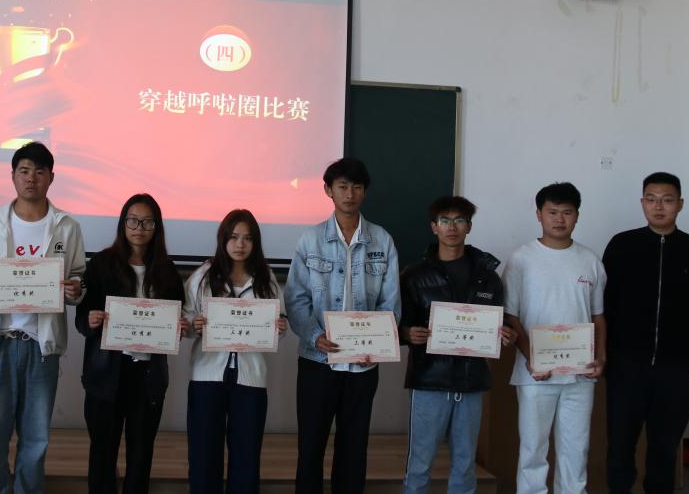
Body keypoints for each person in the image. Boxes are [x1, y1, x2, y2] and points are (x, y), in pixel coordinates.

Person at [0, 142, 86, 494]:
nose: (31, 178)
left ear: (51, 177)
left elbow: (79, 276)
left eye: (39, 171)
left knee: (36, 438)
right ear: (13, 176)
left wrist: (76, 289)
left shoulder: (67, 226)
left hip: (41, 345)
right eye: (24, 170)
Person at [284, 157, 400, 494]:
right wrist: (315, 335)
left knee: (353, 449)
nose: (350, 194)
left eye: (357, 187)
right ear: (328, 190)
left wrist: (377, 346)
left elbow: (391, 303)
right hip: (317, 362)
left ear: (365, 191)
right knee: (311, 446)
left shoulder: (382, 240)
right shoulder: (310, 240)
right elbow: (296, 299)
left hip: (363, 365)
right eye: (342, 186)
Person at [603, 172, 689, 494]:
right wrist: (603, 355)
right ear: (642, 203)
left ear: (680, 204)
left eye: (667, 200)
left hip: (676, 368)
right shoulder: (622, 245)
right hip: (626, 366)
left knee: (665, 446)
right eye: (652, 199)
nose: (659, 207)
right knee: (620, 443)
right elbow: (603, 305)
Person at [398, 195, 515, 494]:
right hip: (429, 380)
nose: (452, 227)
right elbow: (398, 325)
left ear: (469, 226)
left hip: (471, 380)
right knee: (419, 463)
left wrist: (507, 333)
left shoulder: (488, 277)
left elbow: (500, 322)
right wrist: (408, 333)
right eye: (445, 221)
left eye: (459, 220)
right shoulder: (414, 276)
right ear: (434, 227)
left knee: (464, 464)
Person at [75, 193, 187, 494]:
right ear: (123, 223)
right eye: (133, 220)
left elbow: (177, 319)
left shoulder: (167, 270)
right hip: (106, 374)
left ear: (157, 227)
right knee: (102, 457)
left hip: (147, 377)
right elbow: (81, 318)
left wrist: (178, 328)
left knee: (140, 458)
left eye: (148, 222)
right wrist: (91, 319)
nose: (140, 227)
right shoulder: (102, 263)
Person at [503, 182, 607, 494]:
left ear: (577, 216)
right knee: (533, 450)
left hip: (580, 375)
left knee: (576, 449)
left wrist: (600, 357)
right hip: (535, 374)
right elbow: (511, 316)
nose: (559, 219)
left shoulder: (590, 260)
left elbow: (598, 316)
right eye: (552, 212)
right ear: (539, 215)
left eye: (567, 212)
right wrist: (531, 357)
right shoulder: (521, 259)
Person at [185, 209, 288, 494]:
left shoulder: (266, 277)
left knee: (247, 454)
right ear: (223, 239)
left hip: (250, 377)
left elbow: (280, 322)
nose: (240, 244)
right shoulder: (204, 275)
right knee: (204, 452)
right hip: (207, 375)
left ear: (255, 242)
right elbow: (185, 319)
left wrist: (280, 327)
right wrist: (194, 325)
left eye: (247, 238)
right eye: (233, 237)